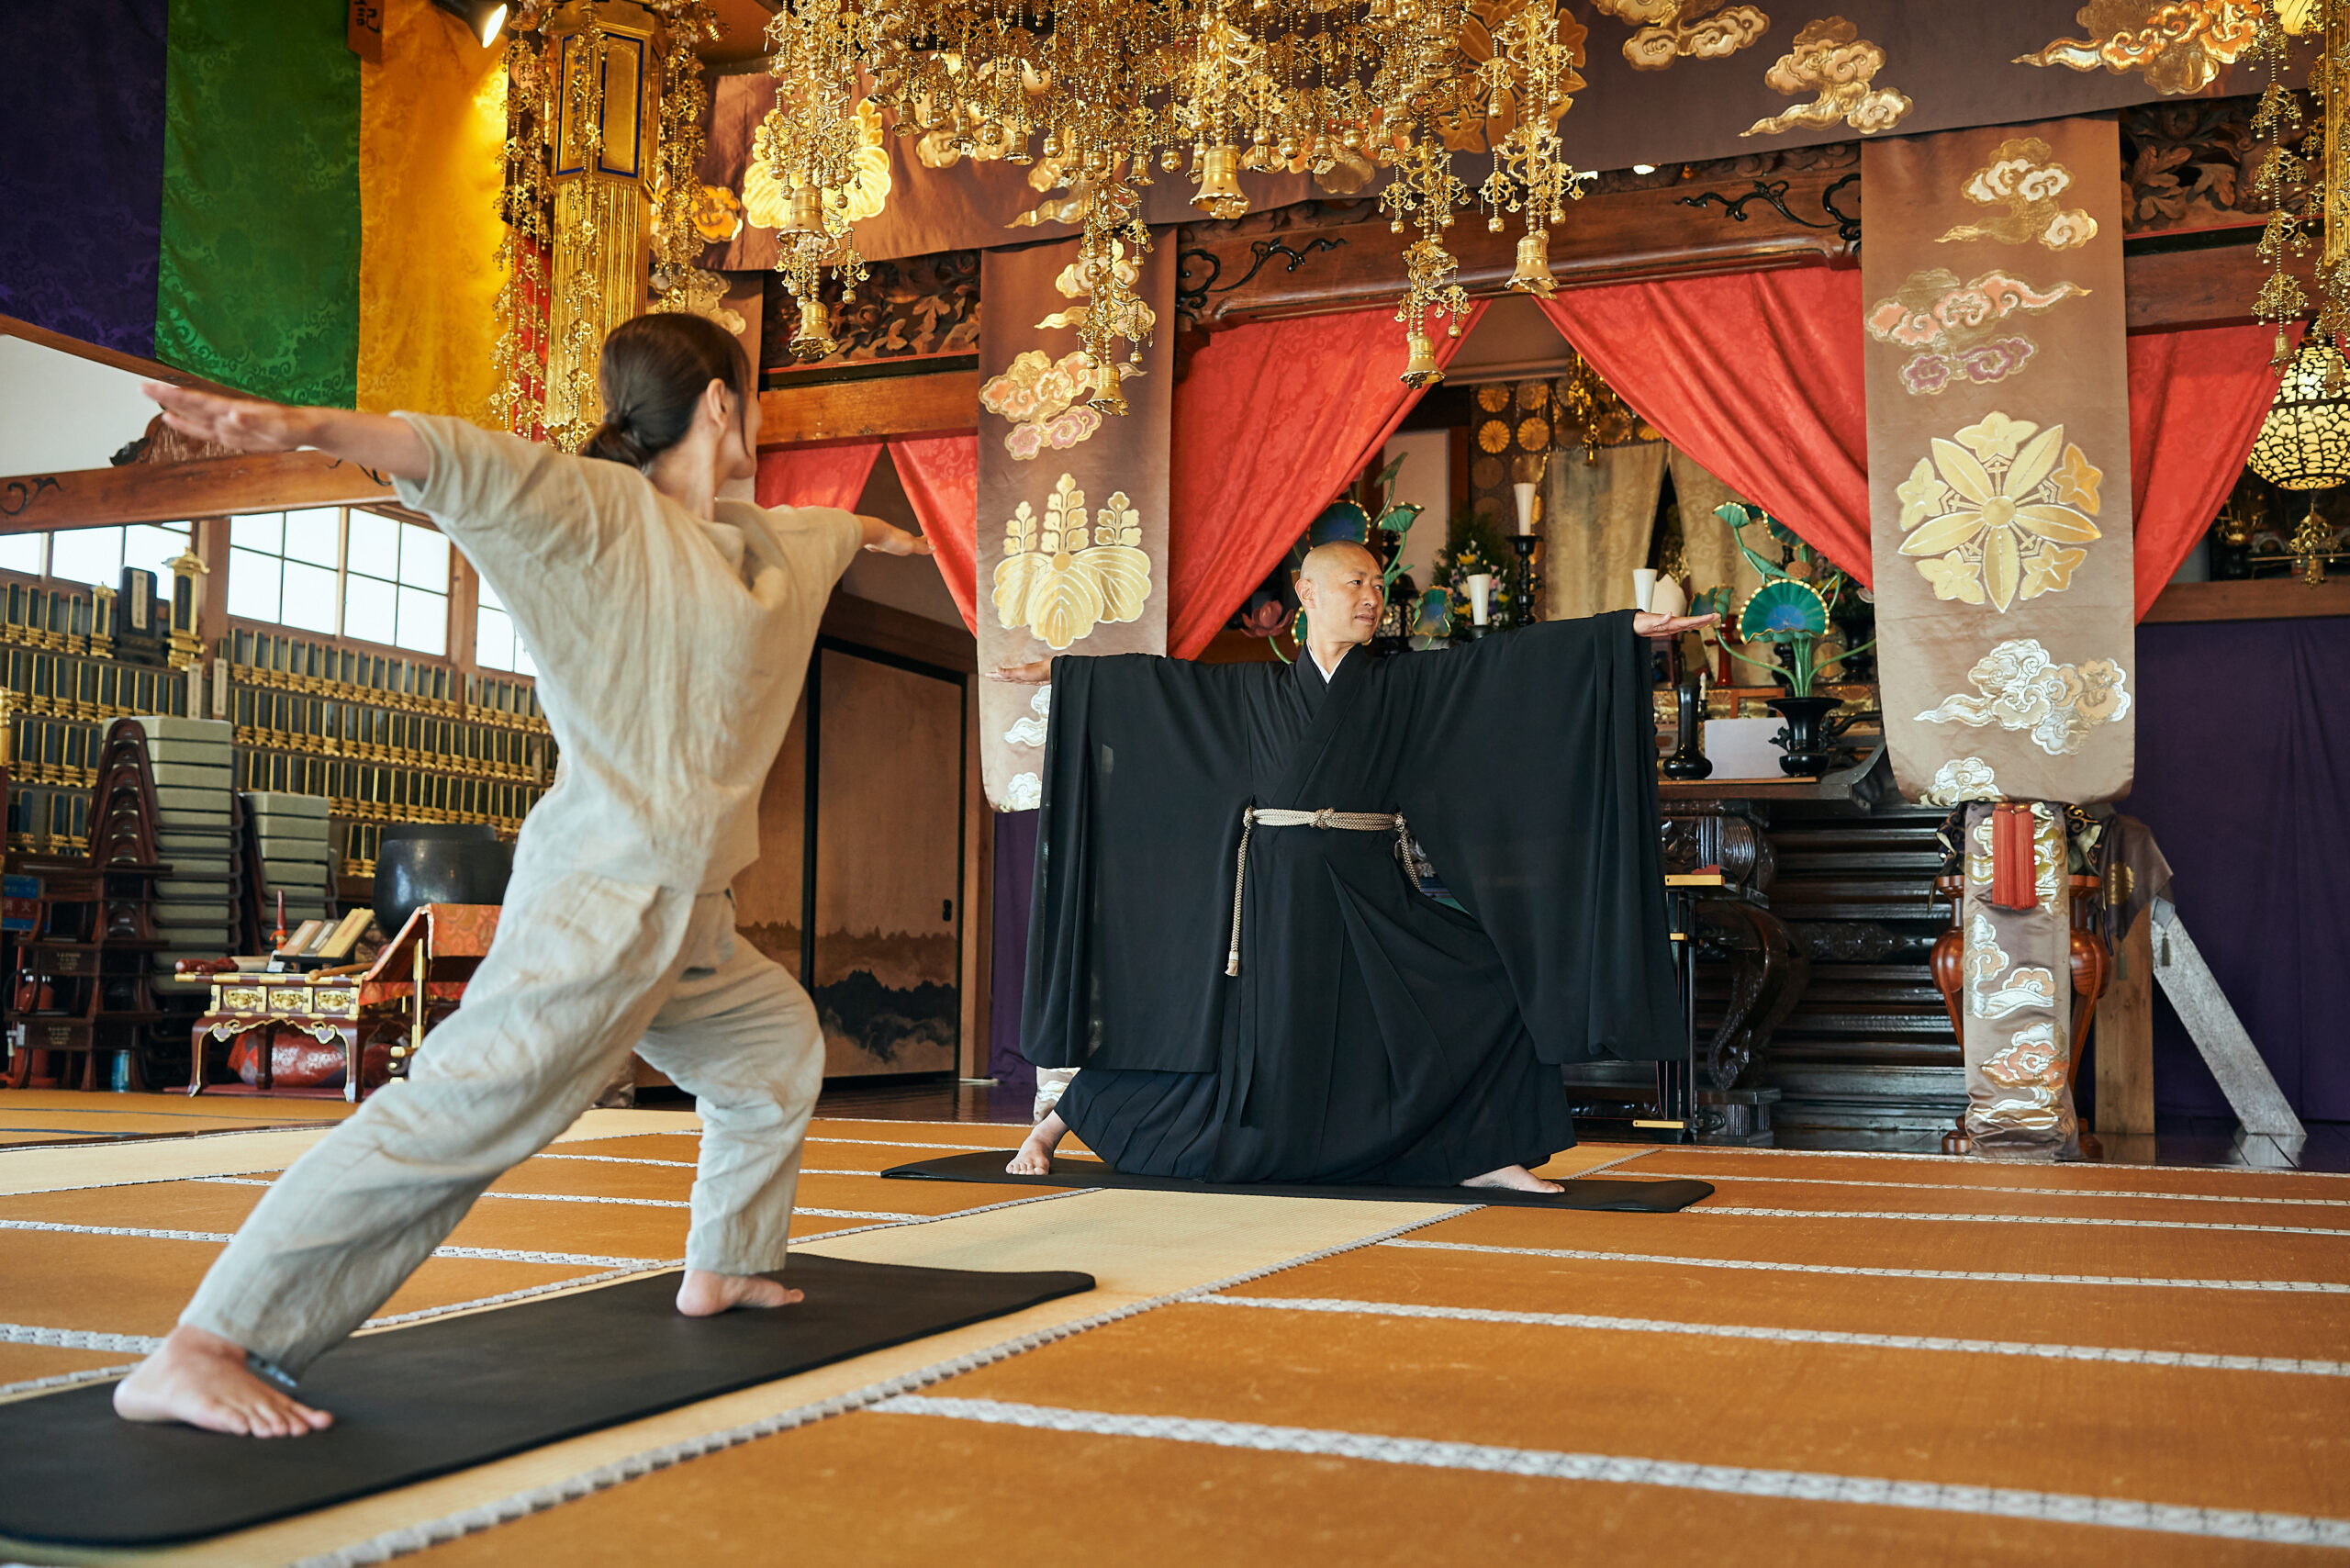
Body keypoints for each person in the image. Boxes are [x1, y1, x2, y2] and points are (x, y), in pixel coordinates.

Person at [112, 313, 932, 1437]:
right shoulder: (595, 513)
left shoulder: (762, 543)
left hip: (691, 909)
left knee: (769, 1050)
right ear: (721, 402)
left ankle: (728, 1262)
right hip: (603, 897)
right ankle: (205, 1343)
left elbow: (840, 531)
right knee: (463, 1112)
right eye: (753, 396)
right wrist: (300, 425)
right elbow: (452, 459)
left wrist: (902, 541)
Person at [999, 541, 1716, 1191]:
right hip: (1274, 898)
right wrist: (1068, 676)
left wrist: (1620, 631)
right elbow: (1157, 688)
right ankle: (1052, 1128)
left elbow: (1505, 665)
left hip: (1370, 887)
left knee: (1492, 983)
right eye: (1355, 583)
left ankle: (1487, 1151)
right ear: (1306, 594)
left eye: (1378, 584)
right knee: (1207, 1024)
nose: (1373, 597)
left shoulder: (1401, 684)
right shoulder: (1253, 692)